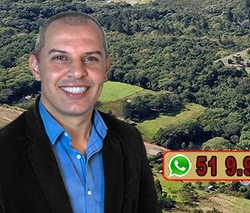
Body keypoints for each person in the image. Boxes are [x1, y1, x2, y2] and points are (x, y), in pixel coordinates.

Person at [0, 11, 161, 213]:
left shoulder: (129, 140)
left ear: (106, 68)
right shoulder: (4, 153)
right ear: (36, 66)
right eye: (60, 57)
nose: (77, 72)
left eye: (91, 58)